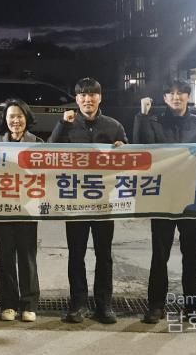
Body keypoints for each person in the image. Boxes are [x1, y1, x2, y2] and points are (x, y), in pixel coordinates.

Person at [134, 79, 196, 325]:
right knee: (159, 254)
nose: (176, 97)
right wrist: (142, 116)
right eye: (171, 93)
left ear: (188, 97)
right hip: (162, 197)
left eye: (181, 93)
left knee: (191, 254)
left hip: (192, 199)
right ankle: (155, 305)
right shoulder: (153, 122)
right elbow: (139, 148)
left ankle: (193, 307)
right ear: (164, 98)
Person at [48, 77, 128, 324]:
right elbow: (50, 152)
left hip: (104, 201)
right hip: (75, 203)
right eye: (82, 95)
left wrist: (123, 148)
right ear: (76, 99)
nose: (87, 99)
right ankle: (78, 304)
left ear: (100, 97)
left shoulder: (114, 126)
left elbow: (129, 160)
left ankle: (104, 305)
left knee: (104, 255)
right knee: (76, 254)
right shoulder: (67, 125)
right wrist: (62, 124)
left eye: (92, 95)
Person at [0, 98, 42, 322]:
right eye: (11, 116)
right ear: (5, 120)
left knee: (27, 255)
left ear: (27, 118)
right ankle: (8, 304)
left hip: (27, 208)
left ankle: (29, 304)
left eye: (19, 116)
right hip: (1, 208)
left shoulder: (37, 143)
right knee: (5, 256)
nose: (15, 121)